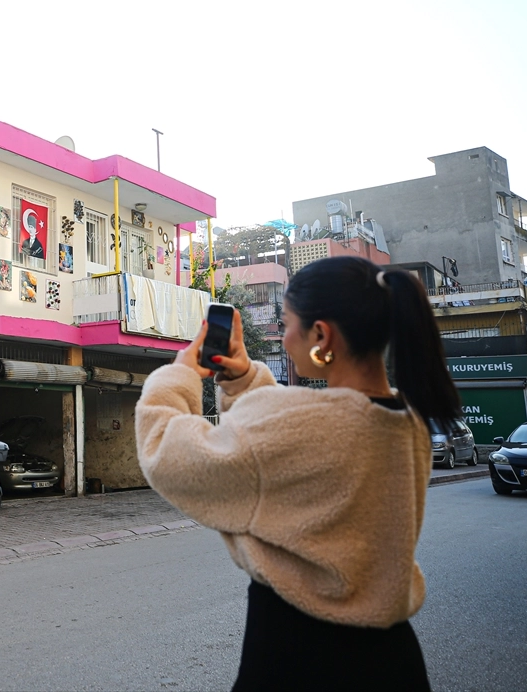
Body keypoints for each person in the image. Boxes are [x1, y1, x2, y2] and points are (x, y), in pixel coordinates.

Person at [135, 256, 459, 691]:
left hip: (301, 657)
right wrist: (245, 380)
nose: (284, 338)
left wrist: (179, 374)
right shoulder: (408, 422)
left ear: (321, 335)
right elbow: (288, 450)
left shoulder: (302, 426)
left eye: (287, 323)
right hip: (393, 661)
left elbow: (165, 452)